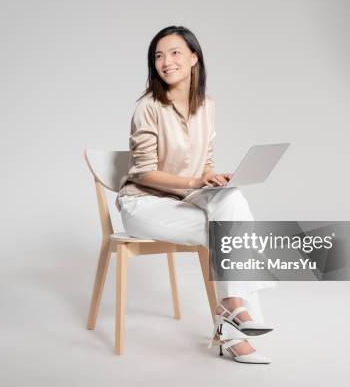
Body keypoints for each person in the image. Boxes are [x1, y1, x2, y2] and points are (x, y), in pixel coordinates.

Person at [116, 25, 275, 364]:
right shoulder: (147, 108)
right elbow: (144, 173)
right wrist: (194, 184)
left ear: (193, 58)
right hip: (144, 204)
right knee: (230, 232)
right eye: (158, 56)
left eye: (174, 52)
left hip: (183, 200)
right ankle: (233, 324)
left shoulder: (208, 106)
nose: (166, 61)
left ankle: (232, 311)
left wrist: (211, 177)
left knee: (232, 201)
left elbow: (204, 161)